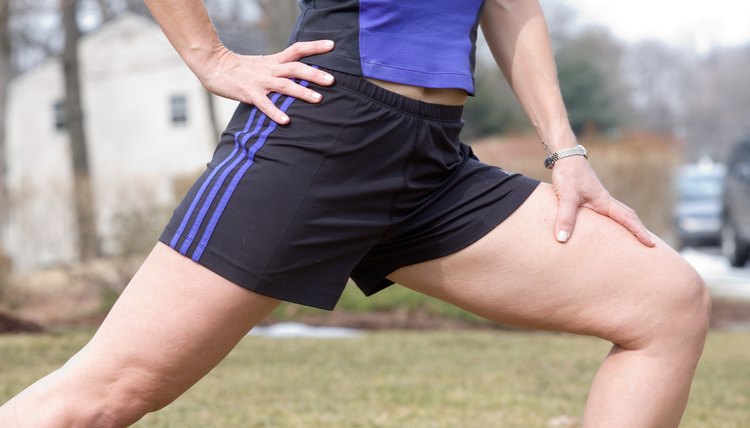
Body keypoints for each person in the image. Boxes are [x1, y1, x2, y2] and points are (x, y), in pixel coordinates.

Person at [0, 0, 710, 426]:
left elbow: (507, 3)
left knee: (664, 302)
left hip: (432, 161)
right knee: (101, 399)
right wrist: (209, 58)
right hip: (321, 137)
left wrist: (566, 152)